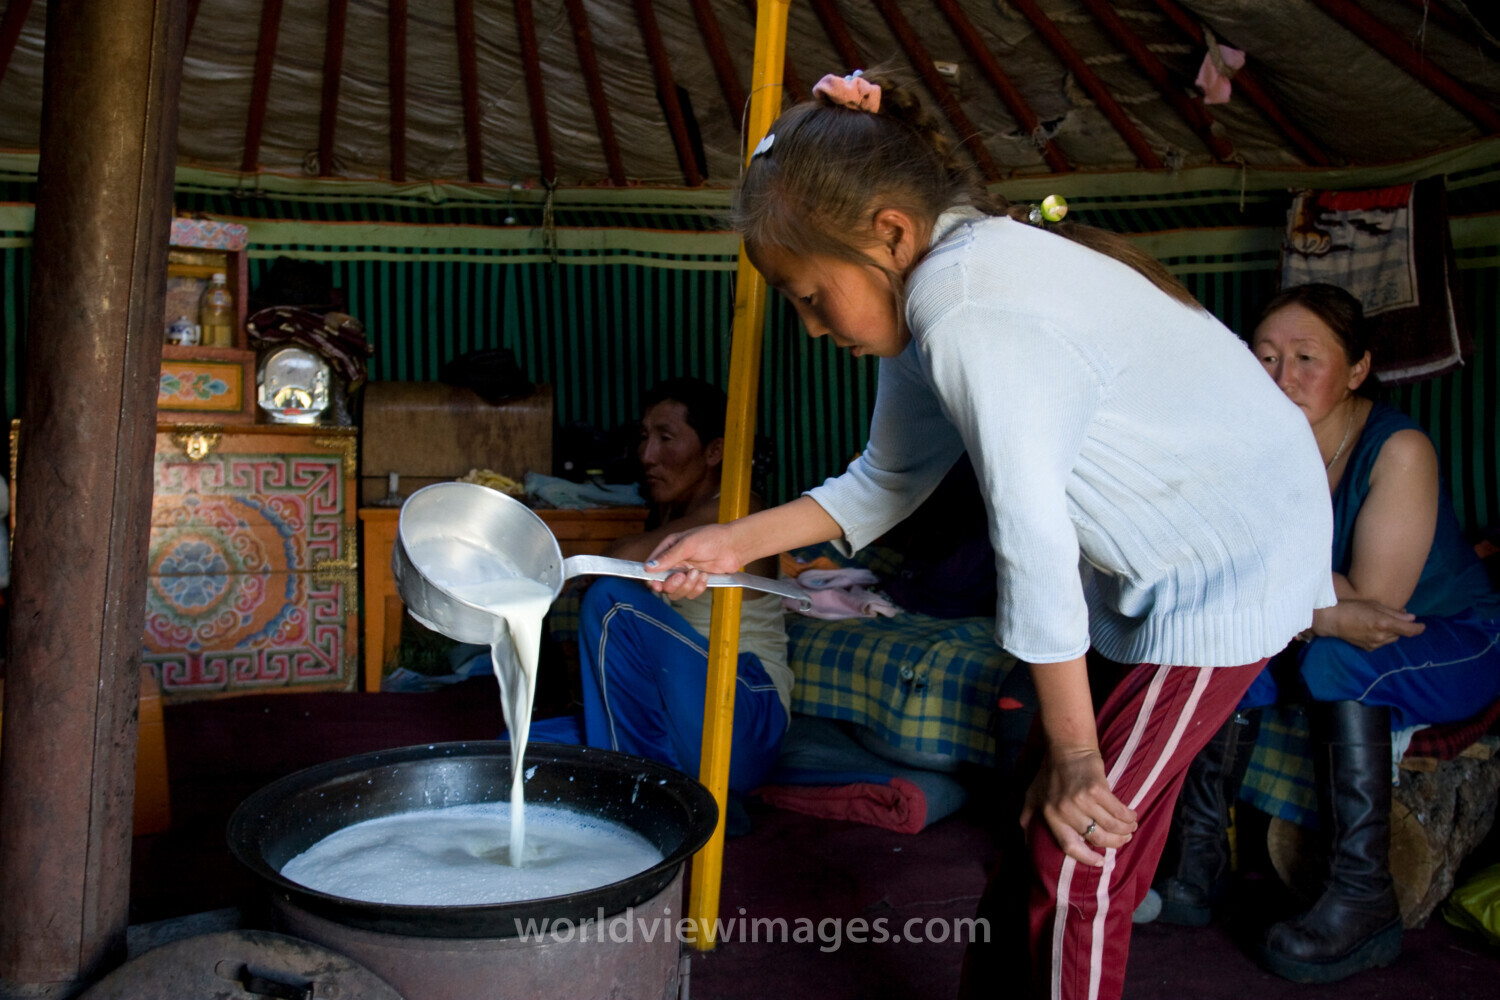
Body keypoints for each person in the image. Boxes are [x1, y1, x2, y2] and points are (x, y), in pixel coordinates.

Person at [642, 70, 1335, 1000]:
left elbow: (1034, 539)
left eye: (812, 296)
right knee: (1043, 824)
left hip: (1226, 567)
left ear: (888, 231)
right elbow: (888, 478)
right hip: (1169, 559)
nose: (811, 329)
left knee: (1081, 846)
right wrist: (731, 543)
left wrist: (1079, 757)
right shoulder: (938, 280)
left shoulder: (968, 307)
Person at [1152, 283, 1500, 982]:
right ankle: (1198, 864)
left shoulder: (1397, 449)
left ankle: (1364, 898)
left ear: (1359, 369)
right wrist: (1318, 607)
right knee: (1224, 648)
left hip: (1456, 637)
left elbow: (1375, 608)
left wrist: (1303, 604)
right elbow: (1210, 568)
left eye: (1307, 358)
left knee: (1338, 660)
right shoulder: (1256, 446)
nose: (1283, 379)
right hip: (1337, 629)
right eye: (1268, 358)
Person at [557, 377, 791, 796]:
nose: (647, 456)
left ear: (714, 451)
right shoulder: (673, 514)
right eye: (644, 438)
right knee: (522, 750)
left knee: (613, 604)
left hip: (745, 709)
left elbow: (620, 562)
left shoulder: (736, 507)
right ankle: (670, 792)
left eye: (666, 438)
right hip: (679, 712)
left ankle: (646, 801)